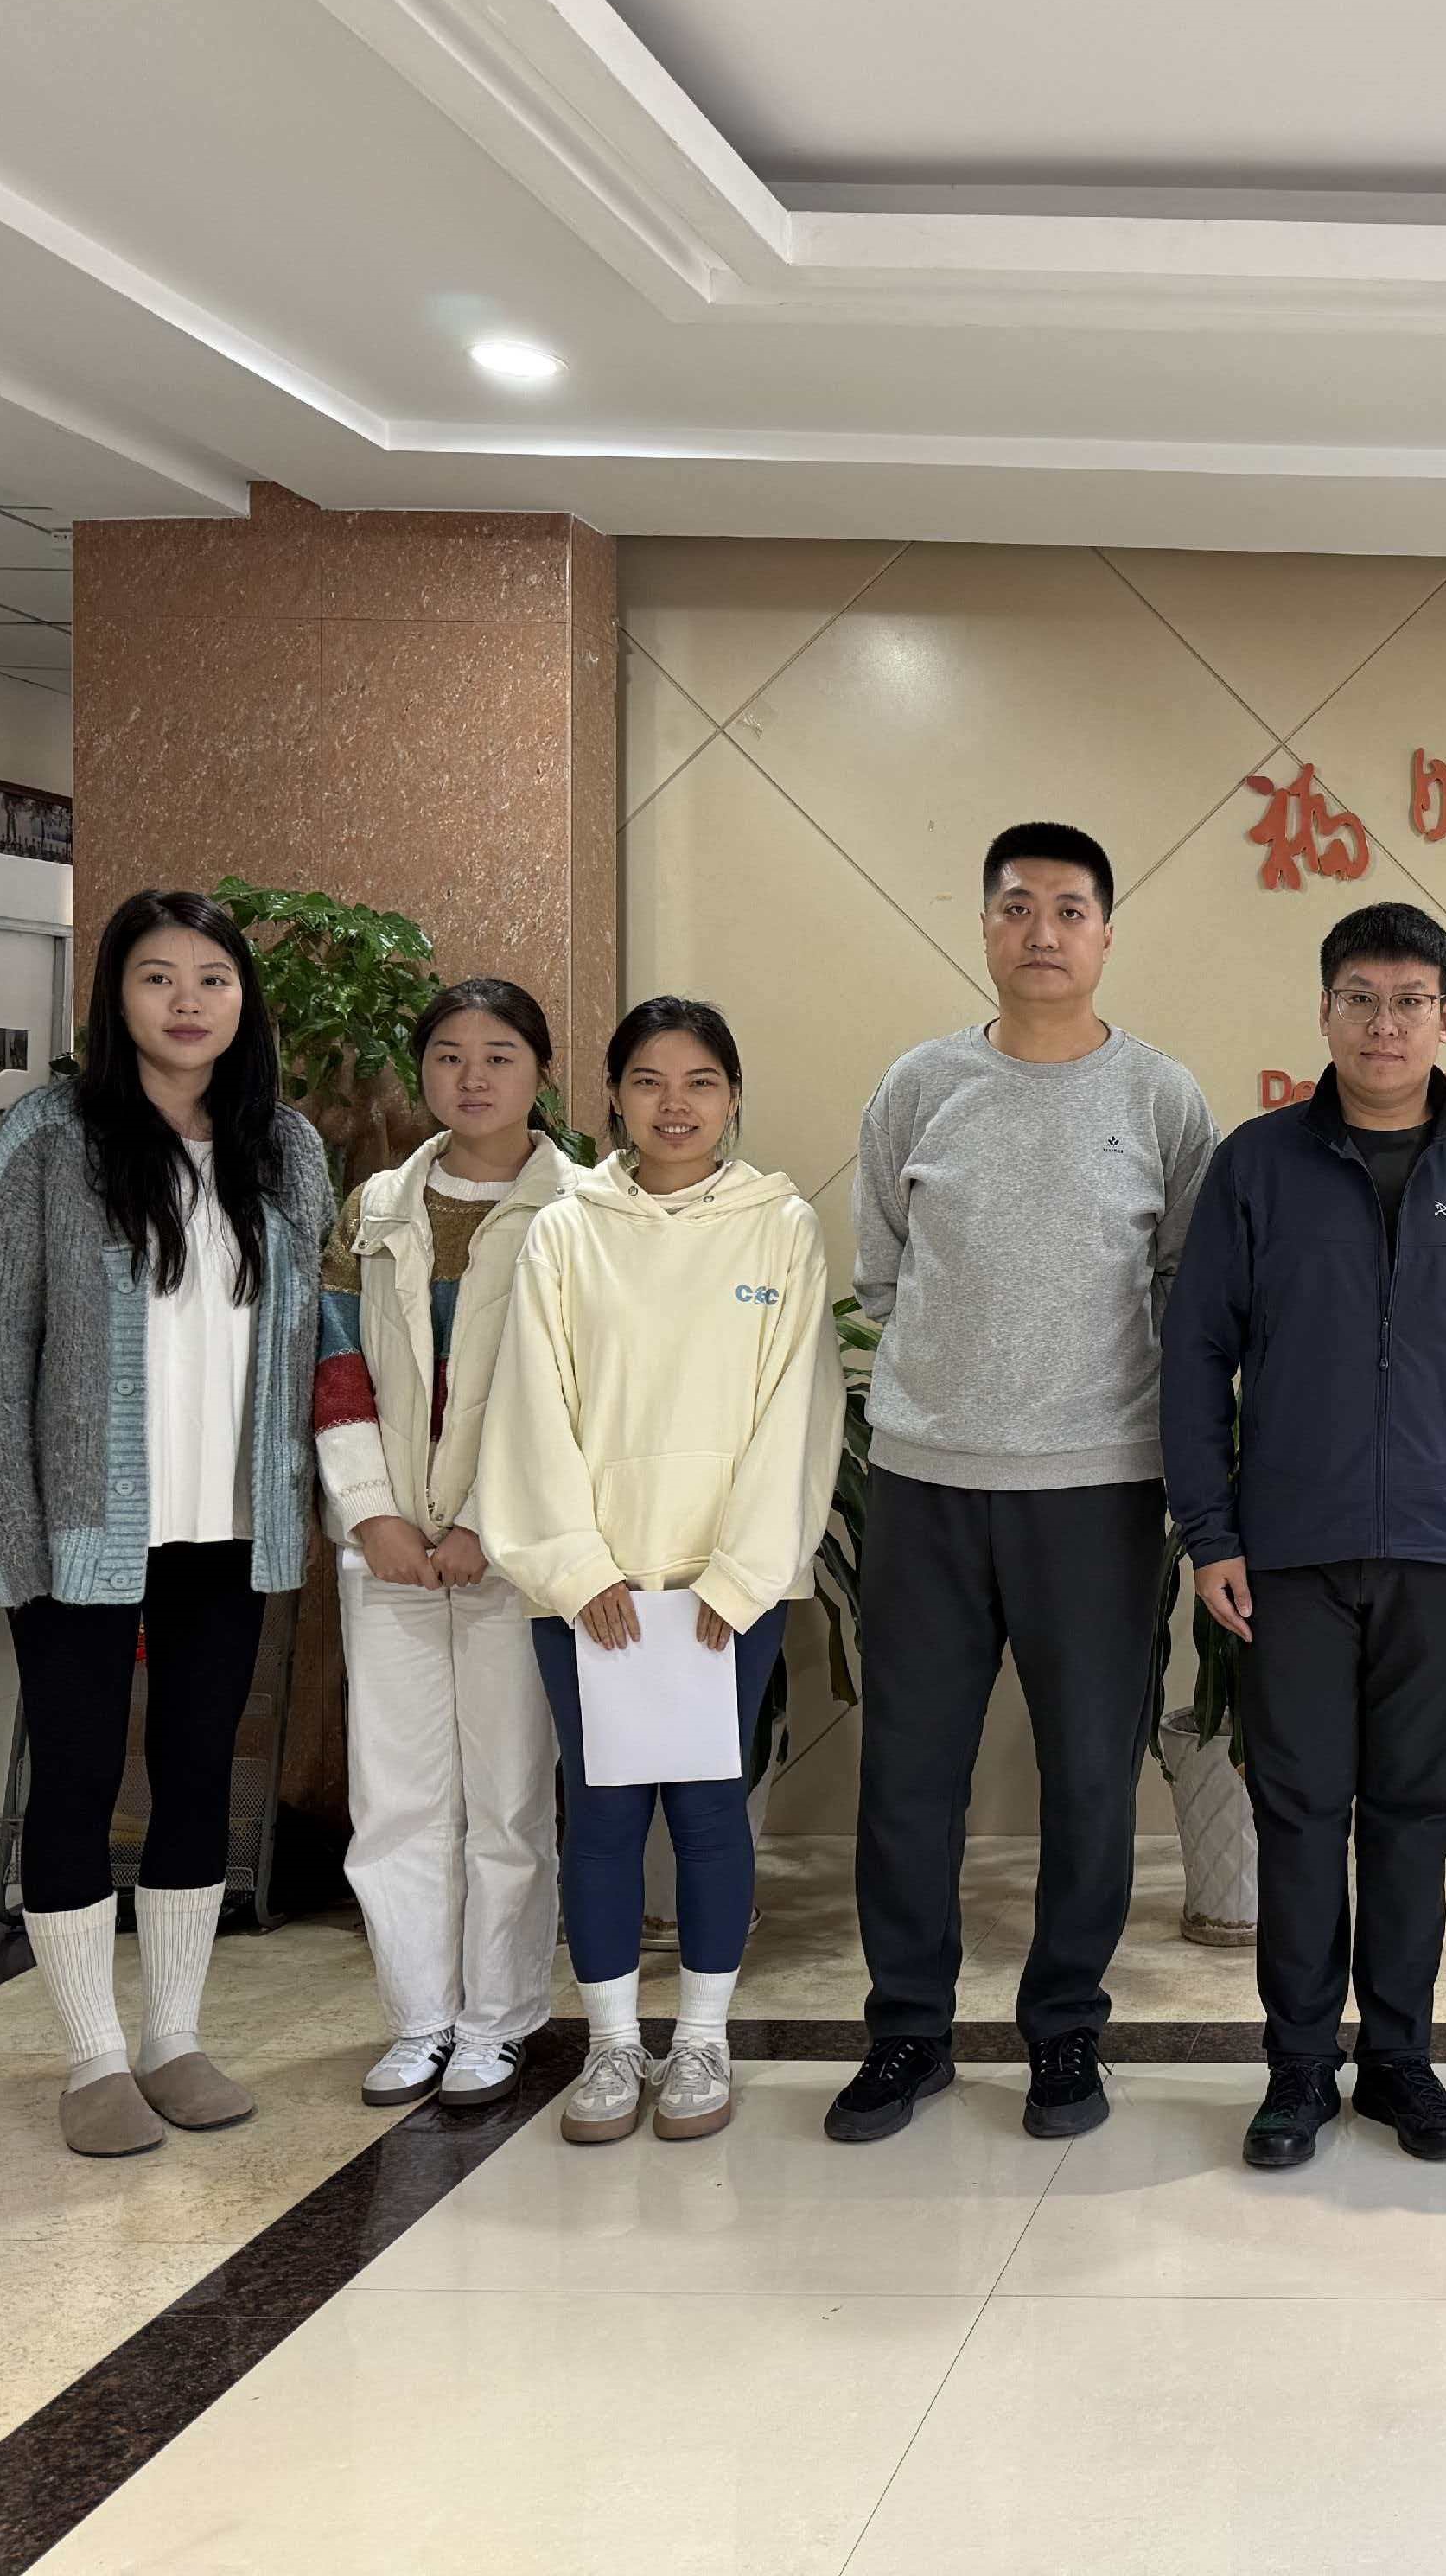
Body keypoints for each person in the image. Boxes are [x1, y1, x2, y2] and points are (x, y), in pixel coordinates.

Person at [0, 889, 333, 2158]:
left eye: (214, 978)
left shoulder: (285, 1148)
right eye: (159, 977)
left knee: (200, 1767)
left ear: (244, 1001)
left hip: (229, 1521)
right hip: (81, 1524)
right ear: (115, 997)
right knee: (81, 1773)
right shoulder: (53, 1138)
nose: (188, 1002)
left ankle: (173, 2036)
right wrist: (6, 1526)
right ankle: (92, 2054)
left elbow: (302, 1336)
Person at [831, 822, 1217, 2148]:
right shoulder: (919, 1085)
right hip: (927, 1483)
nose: (1041, 932)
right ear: (986, 925)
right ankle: (907, 2030)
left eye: (1068, 909)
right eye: (1016, 907)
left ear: (1106, 933)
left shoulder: (1161, 1099)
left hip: (1099, 1490)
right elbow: (883, 1276)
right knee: (909, 1774)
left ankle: (1065, 2029)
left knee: (1091, 1777)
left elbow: (1187, 1294)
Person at [1164, 901, 1446, 2171]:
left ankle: (1399, 2060)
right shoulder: (1257, 1165)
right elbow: (1196, 1353)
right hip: (1288, 1551)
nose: (1384, 1025)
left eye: (1409, 1001)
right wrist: (1210, 1531)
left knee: (1414, 1812)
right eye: (1360, 1000)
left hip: (1443, 1552)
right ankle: (1297, 2068)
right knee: (1296, 1809)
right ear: (1325, 1011)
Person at [475, 997, 839, 2147]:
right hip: (591, 1591)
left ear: (732, 1098)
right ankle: (612, 2046)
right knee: (598, 1819)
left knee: (712, 1816)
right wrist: (579, 1569)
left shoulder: (779, 1227)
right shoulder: (566, 1230)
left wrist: (738, 1577)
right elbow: (531, 1403)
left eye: (699, 1082)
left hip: (725, 1595)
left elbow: (799, 1409)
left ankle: (703, 2041)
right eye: (647, 1081)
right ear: (612, 1097)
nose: (673, 1105)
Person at [317, 979, 577, 2113]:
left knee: (509, 1797)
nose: (473, 1077)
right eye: (450, 1056)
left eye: (500, 1055)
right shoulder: (376, 1206)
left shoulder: (583, 1209)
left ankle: (498, 2019)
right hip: (386, 1549)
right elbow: (336, 1364)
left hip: (511, 1551)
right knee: (396, 1796)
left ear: (540, 1072)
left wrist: (486, 1521)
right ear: (421, 1069)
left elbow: (575, 1390)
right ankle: (419, 2016)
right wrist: (371, 1512)